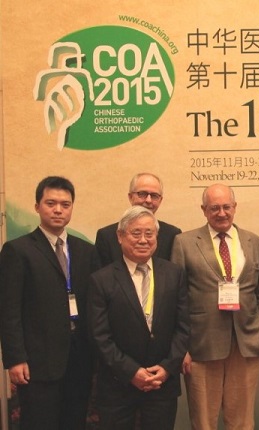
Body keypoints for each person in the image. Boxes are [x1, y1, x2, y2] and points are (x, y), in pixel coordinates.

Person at [0, 176, 99, 430]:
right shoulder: (18, 250)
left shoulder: (86, 250)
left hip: (79, 358)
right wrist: (15, 359)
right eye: (51, 203)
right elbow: (8, 309)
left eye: (65, 204)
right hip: (37, 363)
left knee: (74, 422)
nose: (58, 210)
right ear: (37, 207)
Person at [171, 183, 259, 430]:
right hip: (201, 345)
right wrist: (181, 345)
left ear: (235, 207)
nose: (221, 213)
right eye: (214, 208)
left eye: (227, 207)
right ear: (204, 210)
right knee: (204, 420)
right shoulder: (184, 243)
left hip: (246, 343)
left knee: (242, 420)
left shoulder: (254, 242)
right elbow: (176, 298)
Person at [87, 206, 189, 429]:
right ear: (120, 236)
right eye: (136, 233)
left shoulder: (174, 274)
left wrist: (167, 368)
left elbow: (183, 327)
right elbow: (99, 335)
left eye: (149, 233)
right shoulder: (102, 280)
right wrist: (131, 372)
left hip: (162, 382)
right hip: (117, 384)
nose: (143, 240)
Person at [95, 172, 181, 267]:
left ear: (160, 200)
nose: (148, 200)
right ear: (130, 197)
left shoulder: (172, 234)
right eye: (142, 194)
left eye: (154, 196)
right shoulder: (106, 236)